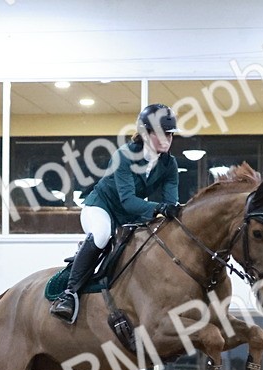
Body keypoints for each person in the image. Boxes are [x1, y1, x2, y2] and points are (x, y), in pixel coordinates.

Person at [49, 103, 182, 323]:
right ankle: (69, 294)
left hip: (131, 216)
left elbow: (170, 203)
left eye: (169, 134)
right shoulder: (124, 156)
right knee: (102, 234)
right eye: (160, 134)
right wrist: (159, 208)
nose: (167, 139)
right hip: (100, 207)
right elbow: (128, 201)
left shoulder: (169, 164)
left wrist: (172, 209)